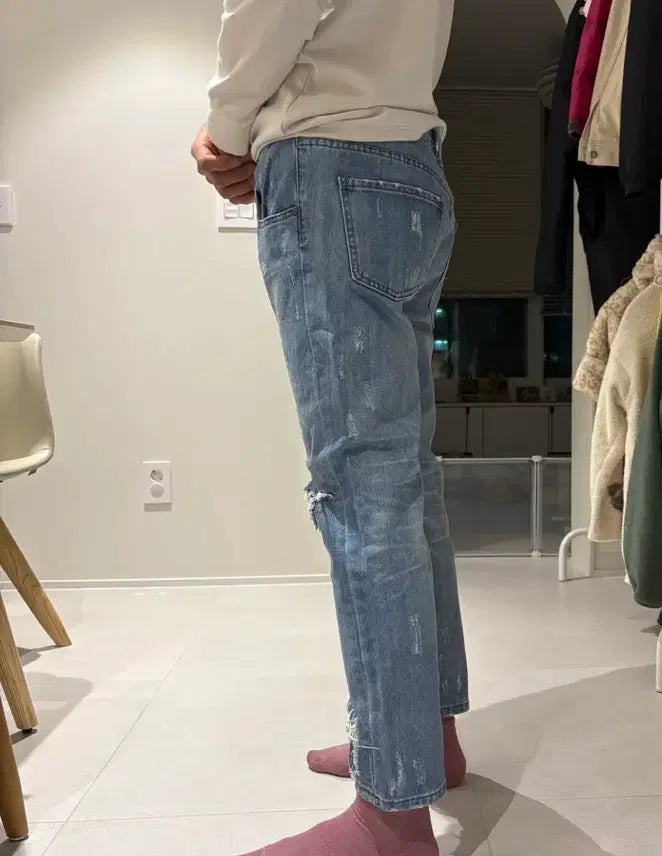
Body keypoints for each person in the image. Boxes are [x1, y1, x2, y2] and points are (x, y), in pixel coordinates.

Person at [191, 2, 468, 854]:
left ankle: (392, 816)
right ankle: (423, 742)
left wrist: (223, 130)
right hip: (414, 165)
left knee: (364, 490)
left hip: (329, 161)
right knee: (405, 479)